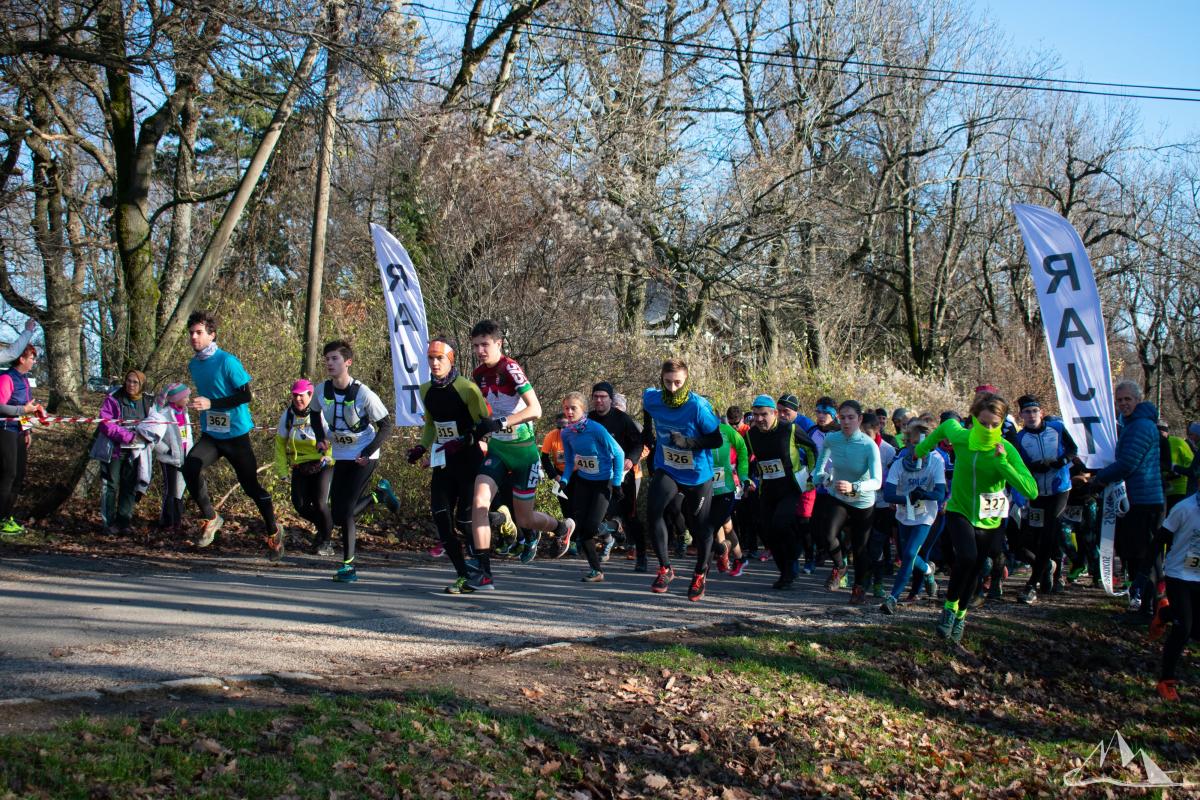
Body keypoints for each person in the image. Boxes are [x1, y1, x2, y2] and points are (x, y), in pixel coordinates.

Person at [914, 394, 1038, 644]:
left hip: (990, 518)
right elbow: (945, 428)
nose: (989, 429)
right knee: (966, 557)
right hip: (959, 509)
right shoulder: (961, 437)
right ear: (973, 419)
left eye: (995, 424)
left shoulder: (1007, 449)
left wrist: (1002, 463)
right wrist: (920, 450)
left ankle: (961, 615)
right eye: (984, 423)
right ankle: (949, 609)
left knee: (977, 567)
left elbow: (1030, 489)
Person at [468, 320, 574, 591]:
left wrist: (501, 423)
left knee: (524, 519)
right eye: (476, 345)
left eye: (485, 344)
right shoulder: (478, 374)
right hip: (498, 451)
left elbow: (535, 409)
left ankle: (560, 528)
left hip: (524, 454)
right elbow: (482, 411)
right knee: (480, 502)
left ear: (498, 344)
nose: (480, 350)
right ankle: (484, 570)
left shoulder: (510, 368)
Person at [181, 310, 284, 559]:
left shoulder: (228, 361)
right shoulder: (194, 364)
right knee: (189, 468)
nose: (194, 337)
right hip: (212, 435)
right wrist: (192, 402)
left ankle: (273, 531)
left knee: (251, 487)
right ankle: (211, 517)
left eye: (199, 332)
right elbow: (207, 393)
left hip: (236, 436)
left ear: (212, 335)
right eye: (191, 333)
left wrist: (211, 404)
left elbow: (245, 395)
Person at [407, 337, 492, 595]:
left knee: (466, 521)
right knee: (441, 518)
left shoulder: (467, 388)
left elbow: (485, 423)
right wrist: (422, 446)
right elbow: (432, 424)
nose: (434, 363)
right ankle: (464, 575)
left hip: (469, 460)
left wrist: (467, 439)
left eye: (439, 358)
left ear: (450, 359)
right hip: (444, 460)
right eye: (431, 358)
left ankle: (484, 572)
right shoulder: (425, 390)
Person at [641, 358, 722, 599]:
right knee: (653, 511)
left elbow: (716, 440)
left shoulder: (698, 407)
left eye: (678, 382)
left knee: (699, 526)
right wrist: (648, 431)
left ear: (686, 380)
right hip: (667, 466)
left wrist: (688, 443)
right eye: (668, 382)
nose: (672, 388)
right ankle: (665, 568)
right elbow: (646, 405)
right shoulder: (652, 398)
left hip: (697, 474)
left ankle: (700, 573)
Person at [315, 340, 394, 583]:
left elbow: (386, 425)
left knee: (346, 511)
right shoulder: (321, 390)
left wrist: (368, 451)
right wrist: (320, 438)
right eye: (327, 358)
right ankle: (378, 496)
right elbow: (313, 414)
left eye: (335, 359)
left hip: (364, 455)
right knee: (338, 514)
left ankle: (348, 566)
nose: (330, 363)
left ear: (347, 362)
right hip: (340, 454)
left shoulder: (363, 393)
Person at [1088, 380, 1164, 615]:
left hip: (1144, 501)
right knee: (1136, 556)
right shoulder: (1130, 424)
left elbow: (1128, 463)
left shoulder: (1140, 426)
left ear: (1137, 399)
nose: (1123, 404)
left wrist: (1098, 479)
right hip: (1136, 500)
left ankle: (1149, 609)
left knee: (1145, 558)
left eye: (1127, 399)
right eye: (1119, 400)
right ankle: (1143, 605)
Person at [812, 400, 882, 604]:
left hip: (862, 501)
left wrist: (855, 487)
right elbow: (819, 469)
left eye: (851, 417)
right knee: (827, 534)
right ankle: (840, 567)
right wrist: (822, 478)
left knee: (860, 548)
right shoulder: (832, 439)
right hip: (839, 496)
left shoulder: (868, 445)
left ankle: (859, 587)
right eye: (842, 417)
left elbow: (877, 481)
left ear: (859, 419)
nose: (846, 422)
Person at [744, 395, 817, 590]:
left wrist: (812, 474)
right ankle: (785, 572)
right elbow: (749, 458)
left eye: (764, 414)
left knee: (781, 524)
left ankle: (793, 559)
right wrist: (747, 476)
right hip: (767, 488)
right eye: (755, 415)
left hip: (790, 487)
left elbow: (811, 449)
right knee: (768, 532)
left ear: (775, 413)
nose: (759, 419)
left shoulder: (789, 429)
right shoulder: (752, 435)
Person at [1011, 395, 1078, 604]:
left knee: (1051, 531)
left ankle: (1032, 586)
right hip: (1037, 492)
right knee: (1036, 537)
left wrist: (1061, 461)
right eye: (1026, 412)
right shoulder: (1020, 438)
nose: (1031, 416)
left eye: (1034, 411)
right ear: (1021, 415)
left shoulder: (1056, 428)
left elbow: (1073, 449)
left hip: (1060, 488)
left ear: (1041, 412)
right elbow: (1018, 465)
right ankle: (1049, 569)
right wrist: (1033, 468)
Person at [880, 415, 946, 614]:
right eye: (915, 443)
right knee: (907, 554)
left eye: (924, 444)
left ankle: (893, 598)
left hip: (926, 516)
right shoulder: (900, 464)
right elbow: (889, 493)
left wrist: (924, 494)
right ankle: (928, 571)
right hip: (904, 514)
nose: (920, 449)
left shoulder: (935, 462)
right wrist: (907, 497)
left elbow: (940, 493)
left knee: (908, 555)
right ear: (908, 443)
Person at [560, 392, 625, 582]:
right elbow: (571, 461)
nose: (569, 412)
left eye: (574, 408)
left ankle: (614, 526)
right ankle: (596, 570)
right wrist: (564, 480)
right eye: (566, 408)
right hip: (583, 481)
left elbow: (619, 454)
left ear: (583, 410)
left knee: (591, 527)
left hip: (603, 483)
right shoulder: (566, 432)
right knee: (582, 528)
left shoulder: (596, 430)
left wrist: (617, 484)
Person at [588, 381, 646, 568]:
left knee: (631, 516)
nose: (599, 400)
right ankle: (595, 559)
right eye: (596, 397)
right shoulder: (588, 419)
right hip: (596, 474)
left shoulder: (622, 419)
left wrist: (631, 459)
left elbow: (639, 443)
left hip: (623, 475)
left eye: (603, 397)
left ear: (610, 399)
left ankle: (641, 556)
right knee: (593, 513)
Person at [273, 379, 333, 555]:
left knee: (320, 504)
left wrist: (328, 457)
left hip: (324, 463)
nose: (298, 399)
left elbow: (333, 438)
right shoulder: (288, 415)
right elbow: (280, 445)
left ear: (310, 395)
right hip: (301, 465)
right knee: (300, 505)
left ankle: (326, 542)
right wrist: (282, 471)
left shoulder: (321, 413)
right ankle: (325, 528)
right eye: (295, 395)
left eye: (302, 395)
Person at [1154, 491, 1200, 702]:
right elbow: (1160, 539)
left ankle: (1165, 612)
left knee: (1195, 630)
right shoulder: (1184, 508)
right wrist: (1147, 573)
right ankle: (1166, 681)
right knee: (1183, 629)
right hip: (1178, 574)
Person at [95, 370, 151, 534]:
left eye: (135, 382)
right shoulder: (113, 398)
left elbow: (154, 422)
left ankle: (124, 522)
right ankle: (108, 523)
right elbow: (105, 423)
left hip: (136, 452)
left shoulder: (147, 401)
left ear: (141, 385)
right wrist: (126, 436)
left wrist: (146, 436)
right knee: (111, 484)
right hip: (114, 449)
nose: (131, 385)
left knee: (130, 486)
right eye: (128, 381)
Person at [0, 344, 42, 535]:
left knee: (18, 475)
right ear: (21, 359)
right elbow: (2, 407)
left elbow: (28, 407)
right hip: (5, 430)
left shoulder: (25, 381)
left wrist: (27, 431)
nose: (34, 362)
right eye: (32, 358)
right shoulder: (6, 378)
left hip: (18, 432)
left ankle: (7, 516)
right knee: (8, 473)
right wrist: (21, 411)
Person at [710, 404, 750, 575]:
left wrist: (743, 476)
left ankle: (723, 553)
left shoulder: (726, 430)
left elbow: (742, 449)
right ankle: (739, 558)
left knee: (717, 522)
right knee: (725, 526)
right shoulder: (693, 431)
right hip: (704, 486)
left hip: (724, 486)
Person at [153, 383, 193, 532]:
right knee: (170, 490)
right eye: (186, 396)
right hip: (169, 459)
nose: (188, 399)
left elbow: (188, 436)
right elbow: (153, 437)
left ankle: (177, 520)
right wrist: (167, 450)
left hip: (183, 458)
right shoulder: (163, 415)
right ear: (177, 398)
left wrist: (191, 453)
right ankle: (166, 520)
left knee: (180, 491)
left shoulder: (185, 413)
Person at [1158, 422, 1194, 512]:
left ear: (1167, 432)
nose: (1160, 435)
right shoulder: (1154, 443)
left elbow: (1191, 462)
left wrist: (1178, 472)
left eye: (1162, 432)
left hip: (1180, 488)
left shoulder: (1178, 442)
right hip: (1162, 489)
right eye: (1157, 432)